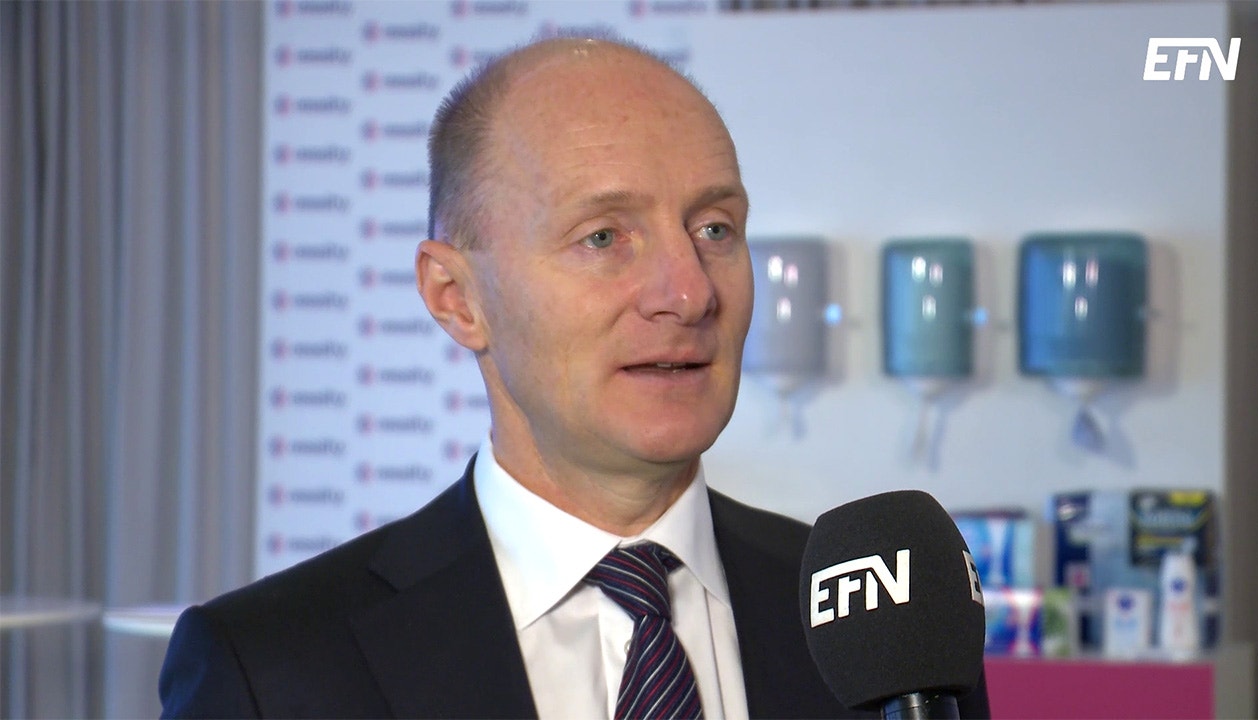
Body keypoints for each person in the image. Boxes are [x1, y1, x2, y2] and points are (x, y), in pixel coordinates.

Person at [159, 35, 990, 719]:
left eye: (713, 228)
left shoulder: (895, 624)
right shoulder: (270, 669)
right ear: (457, 298)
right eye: (603, 237)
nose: (689, 292)